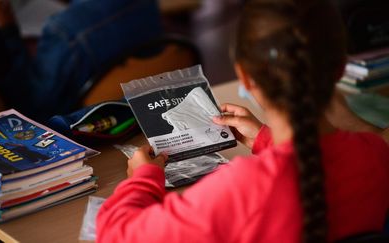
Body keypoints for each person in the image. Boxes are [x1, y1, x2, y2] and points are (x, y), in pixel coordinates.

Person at [96, 0, 389, 242]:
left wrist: (143, 179)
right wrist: (265, 139)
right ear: (341, 69)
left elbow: (118, 234)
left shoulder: (240, 189)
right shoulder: (376, 153)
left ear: (245, 77)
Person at [0, 0, 162, 122]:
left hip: (72, 132)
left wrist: (7, 29)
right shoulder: (147, 5)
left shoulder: (65, 30)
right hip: (132, 120)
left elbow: (31, 107)